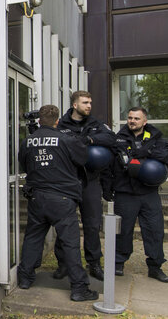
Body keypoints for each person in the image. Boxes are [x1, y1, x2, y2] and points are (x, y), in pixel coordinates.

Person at [17, 104, 98, 302]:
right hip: (62, 198)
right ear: (57, 121)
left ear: (39, 121)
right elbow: (83, 158)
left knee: (33, 238)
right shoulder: (66, 139)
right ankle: (79, 288)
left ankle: (25, 278)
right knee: (70, 243)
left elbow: (24, 163)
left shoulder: (28, 141)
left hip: (37, 198)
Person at [103, 107, 168, 283]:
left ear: (144, 121)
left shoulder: (157, 139)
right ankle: (118, 263)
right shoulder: (117, 139)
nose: (132, 121)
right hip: (125, 193)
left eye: (136, 118)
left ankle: (155, 267)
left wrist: (147, 151)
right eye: (130, 118)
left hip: (148, 193)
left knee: (154, 230)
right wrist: (106, 188)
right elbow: (107, 166)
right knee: (123, 231)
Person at [52, 91, 116, 281]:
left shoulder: (96, 125)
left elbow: (111, 140)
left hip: (90, 182)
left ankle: (94, 263)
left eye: (90, 102)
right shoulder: (61, 125)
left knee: (92, 224)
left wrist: (90, 139)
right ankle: (63, 264)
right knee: (64, 224)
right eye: (85, 103)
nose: (89, 106)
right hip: (67, 181)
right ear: (75, 105)